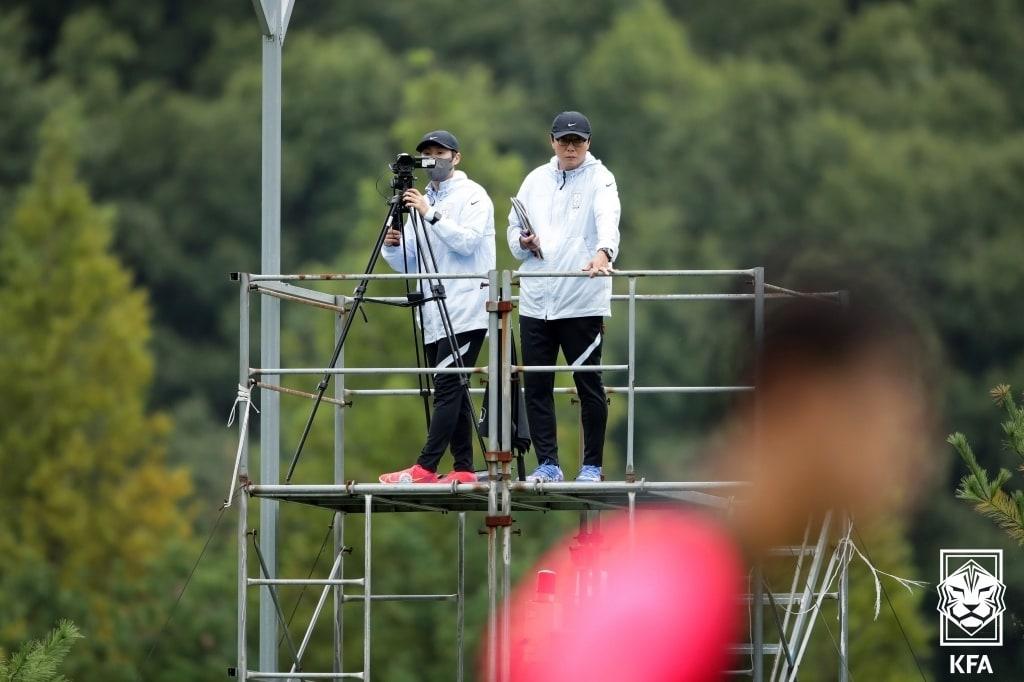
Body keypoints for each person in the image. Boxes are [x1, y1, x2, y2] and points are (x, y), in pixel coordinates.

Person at [507, 111, 621, 482]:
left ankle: (591, 466)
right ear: (551, 141)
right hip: (538, 299)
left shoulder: (600, 179)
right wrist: (523, 242)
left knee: (588, 383)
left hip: (581, 299)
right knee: (536, 385)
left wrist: (604, 252)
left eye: (578, 141)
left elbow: (609, 219)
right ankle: (548, 464)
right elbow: (512, 230)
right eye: (563, 140)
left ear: (589, 143)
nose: (570, 147)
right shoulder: (535, 179)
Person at [378, 130, 495, 484]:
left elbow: (467, 241)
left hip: (466, 308)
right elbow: (407, 261)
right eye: (427, 153)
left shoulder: (474, 196)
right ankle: (463, 468)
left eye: (439, 152)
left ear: (456, 157)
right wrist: (393, 244)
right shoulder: (418, 200)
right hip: (431, 310)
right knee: (453, 388)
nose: (433, 158)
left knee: (446, 387)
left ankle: (425, 466)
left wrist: (430, 214)